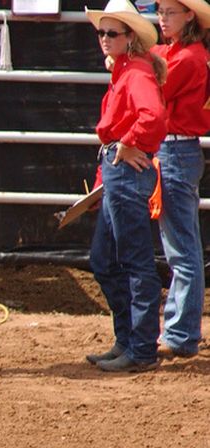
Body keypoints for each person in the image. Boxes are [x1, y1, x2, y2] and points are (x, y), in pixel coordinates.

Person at [85, 0, 167, 372]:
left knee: (129, 262)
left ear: (129, 37)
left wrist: (131, 141)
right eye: (101, 32)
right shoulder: (129, 70)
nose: (104, 39)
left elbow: (153, 116)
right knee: (108, 259)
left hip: (126, 172)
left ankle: (140, 348)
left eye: (111, 33)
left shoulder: (134, 74)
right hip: (119, 171)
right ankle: (131, 340)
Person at [150, 0, 210, 359]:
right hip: (174, 150)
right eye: (160, 11)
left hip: (175, 149)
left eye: (169, 12)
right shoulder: (179, 52)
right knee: (180, 244)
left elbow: (155, 88)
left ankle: (182, 332)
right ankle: (181, 329)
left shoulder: (186, 58)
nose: (162, 18)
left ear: (189, 15)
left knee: (181, 248)